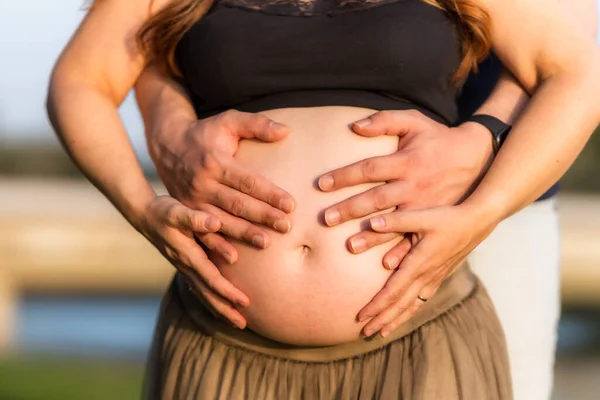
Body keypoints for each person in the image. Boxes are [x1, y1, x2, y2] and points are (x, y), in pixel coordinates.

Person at [47, 0, 600, 398]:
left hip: (413, 342)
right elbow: (80, 80)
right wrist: (141, 207)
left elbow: (579, 71)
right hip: (224, 344)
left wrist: (484, 211)